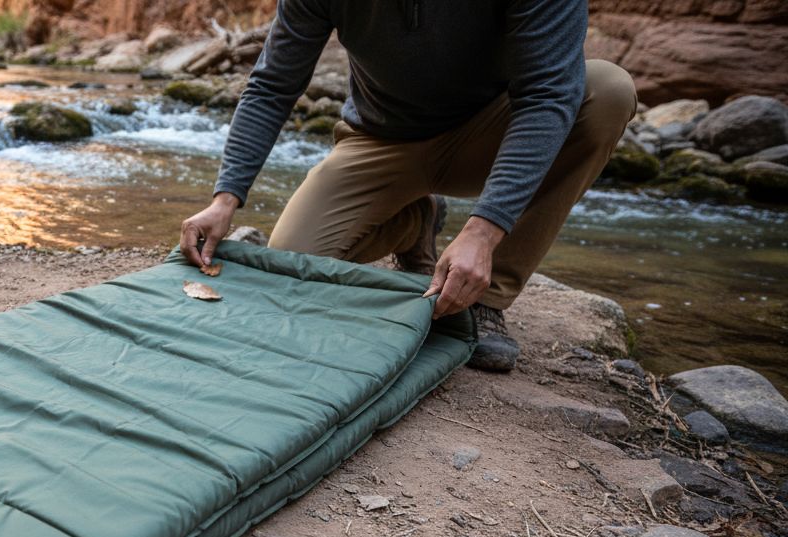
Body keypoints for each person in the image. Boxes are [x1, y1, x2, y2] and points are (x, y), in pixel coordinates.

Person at [179, 0, 636, 372]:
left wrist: (484, 230)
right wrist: (225, 198)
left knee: (607, 90)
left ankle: (486, 298)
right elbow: (272, 84)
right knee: (293, 267)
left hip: (493, 133)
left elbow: (549, 94)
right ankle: (415, 222)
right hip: (380, 141)